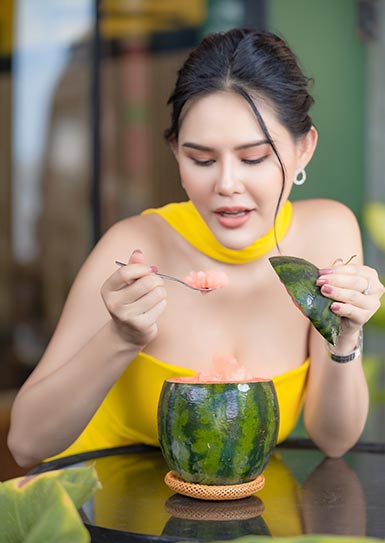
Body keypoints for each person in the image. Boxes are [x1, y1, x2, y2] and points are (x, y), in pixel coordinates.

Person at [8, 28, 384, 468]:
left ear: (304, 149)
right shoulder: (135, 248)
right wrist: (119, 338)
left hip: (244, 521)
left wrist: (346, 337)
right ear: (176, 153)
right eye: (202, 160)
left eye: (254, 158)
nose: (226, 185)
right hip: (106, 519)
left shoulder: (327, 235)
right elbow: (25, 442)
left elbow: (334, 439)